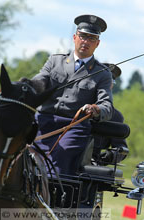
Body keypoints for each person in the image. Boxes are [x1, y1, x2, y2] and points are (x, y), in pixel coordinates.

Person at [32, 14, 113, 176]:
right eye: (83, 36)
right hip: (43, 121)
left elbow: (107, 107)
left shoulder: (102, 73)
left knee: (58, 160)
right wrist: (27, 87)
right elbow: (38, 82)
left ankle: (51, 195)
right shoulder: (55, 61)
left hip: (73, 127)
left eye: (91, 38)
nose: (86, 42)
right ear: (75, 37)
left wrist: (95, 109)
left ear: (97, 43)